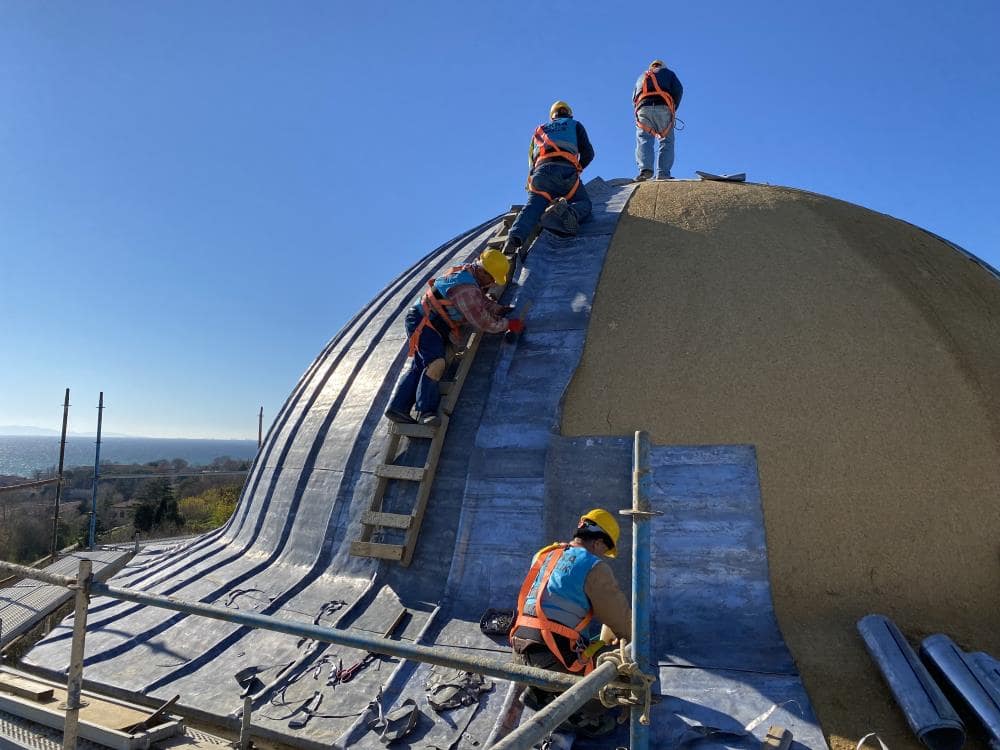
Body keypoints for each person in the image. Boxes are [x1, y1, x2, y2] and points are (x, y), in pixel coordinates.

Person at [510, 508, 630, 737]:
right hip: (552, 657)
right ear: (597, 542)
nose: (603, 556)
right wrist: (634, 648)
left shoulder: (545, 554)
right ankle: (579, 714)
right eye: (605, 550)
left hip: (519, 650)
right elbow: (621, 620)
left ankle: (540, 691)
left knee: (583, 643)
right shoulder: (594, 567)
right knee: (618, 667)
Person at [384, 249, 523, 426]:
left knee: (421, 365)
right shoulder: (465, 288)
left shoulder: (468, 274)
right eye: (492, 279)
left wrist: (498, 309)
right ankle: (427, 412)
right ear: (482, 272)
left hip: (429, 321)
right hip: (425, 323)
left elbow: (480, 301)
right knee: (436, 364)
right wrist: (508, 324)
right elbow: (483, 321)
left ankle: (397, 408)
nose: (493, 283)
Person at [503, 101, 595, 261]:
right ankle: (568, 212)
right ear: (569, 114)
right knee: (583, 203)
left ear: (553, 116)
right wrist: (578, 168)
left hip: (541, 174)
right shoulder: (574, 125)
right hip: (565, 171)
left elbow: (531, 162)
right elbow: (588, 153)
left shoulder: (539, 131)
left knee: (533, 207)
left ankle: (514, 238)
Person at [634, 59, 683, 181]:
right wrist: (673, 108)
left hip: (643, 109)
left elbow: (634, 96)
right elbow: (678, 89)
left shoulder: (642, 76)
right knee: (666, 141)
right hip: (663, 107)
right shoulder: (669, 73)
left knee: (644, 139)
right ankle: (663, 173)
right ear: (663, 67)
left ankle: (645, 170)